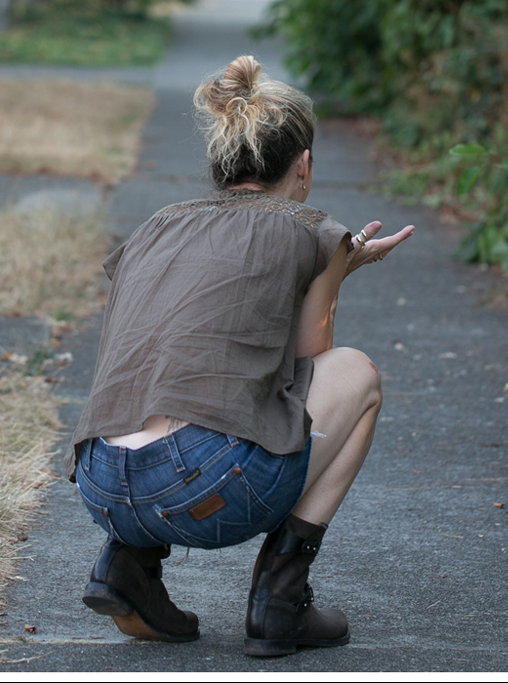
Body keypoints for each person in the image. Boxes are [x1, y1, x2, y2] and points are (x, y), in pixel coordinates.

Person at [65, 55, 414, 657]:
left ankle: (128, 566)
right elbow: (308, 374)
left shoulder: (155, 226)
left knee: (166, 376)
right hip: (209, 490)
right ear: (302, 165)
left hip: (100, 486)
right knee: (358, 375)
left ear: (223, 164)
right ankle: (280, 600)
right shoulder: (311, 228)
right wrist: (334, 271)